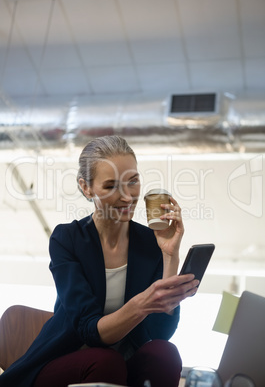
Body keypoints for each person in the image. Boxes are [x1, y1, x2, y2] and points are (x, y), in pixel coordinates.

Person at [0, 135, 199, 387]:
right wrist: (142, 304)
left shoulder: (151, 242)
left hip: (121, 363)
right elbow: (90, 332)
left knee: (165, 353)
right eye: (110, 186)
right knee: (105, 361)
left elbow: (160, 333)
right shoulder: (67, 239)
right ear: (86, 187)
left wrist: (170, 255)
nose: (127, 197)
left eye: (133, 181)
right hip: (69, 360)